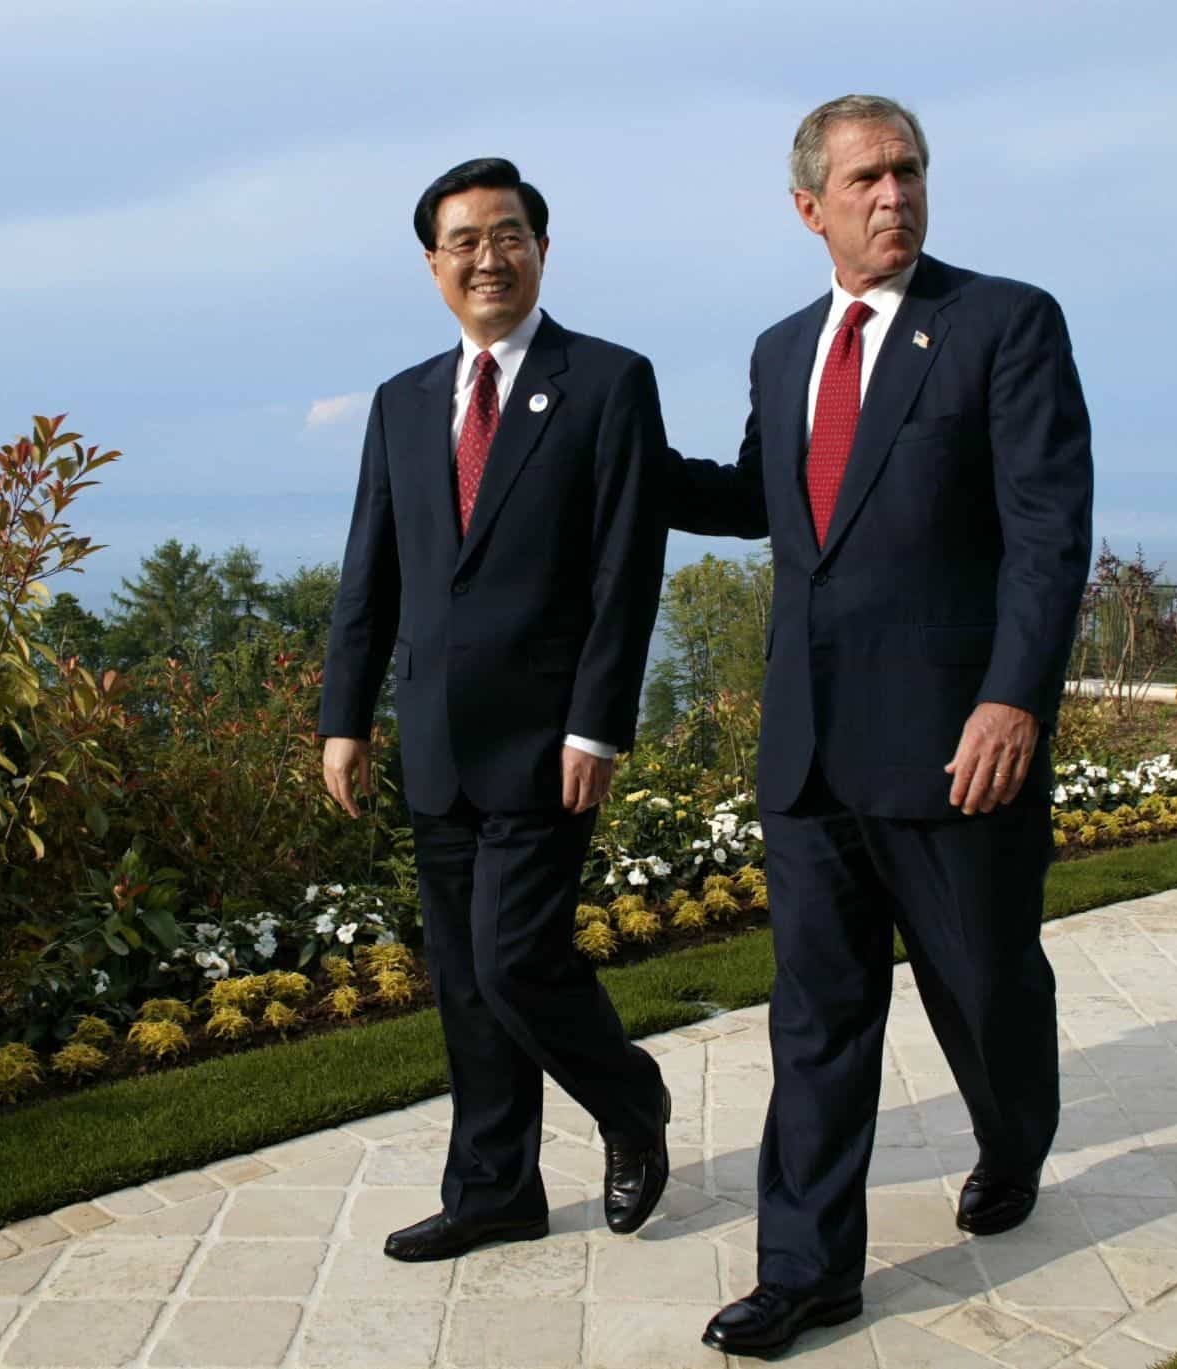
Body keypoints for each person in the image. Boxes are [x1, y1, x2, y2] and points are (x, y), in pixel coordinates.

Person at [669, 96, 1093, 1358]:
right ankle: (806, 1272)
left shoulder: (1002, 322)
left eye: (906, 171)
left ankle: (1013, 1137)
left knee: (987, 985)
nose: (892, 195)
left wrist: (1012, 695)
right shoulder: (777, 347)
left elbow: (1044, 530)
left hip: (957, 741)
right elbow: (764, 498)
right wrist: (618, 458)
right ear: (809, 206)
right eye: (864, 178)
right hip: (807, 753)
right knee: (814, 1017)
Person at [319, 157, 673, 1262]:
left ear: (540, 249)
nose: (488, 256)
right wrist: (346, 714)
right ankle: (493, 1191)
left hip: (546, 739)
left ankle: (629, 1100)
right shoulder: (402, 400)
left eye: (507, 234)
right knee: (465, 983)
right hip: (432, 738)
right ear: (433, 265)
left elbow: (626, 570)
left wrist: (596, 723)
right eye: (463, 240)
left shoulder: (608, 381)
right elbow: (368, 570)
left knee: (517, 958)